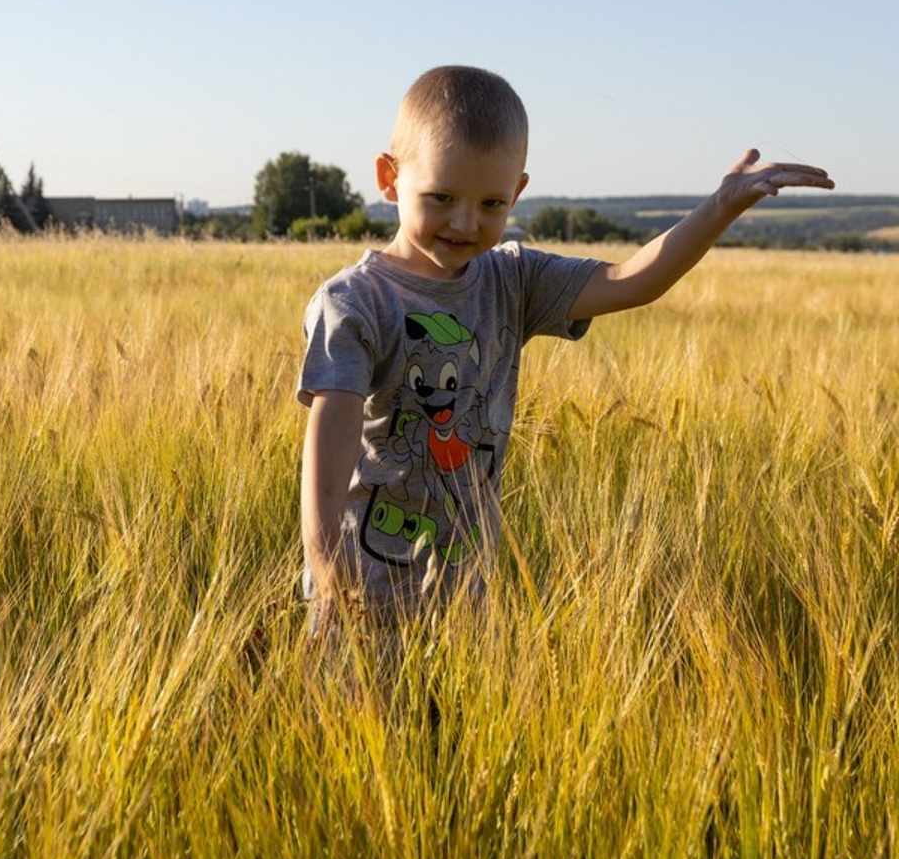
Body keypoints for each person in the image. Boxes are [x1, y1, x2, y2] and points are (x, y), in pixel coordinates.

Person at [298, 65, 833, 633]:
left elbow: (631, 279)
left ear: (518, 193)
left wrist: (718, 209)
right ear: (388, 177)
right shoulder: (355, 303)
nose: (464, 221)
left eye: (490, 204)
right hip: (361, 597)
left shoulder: (513, 280)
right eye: (441, 196)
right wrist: (331, 578)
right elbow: (326, 457)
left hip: (467, 602)